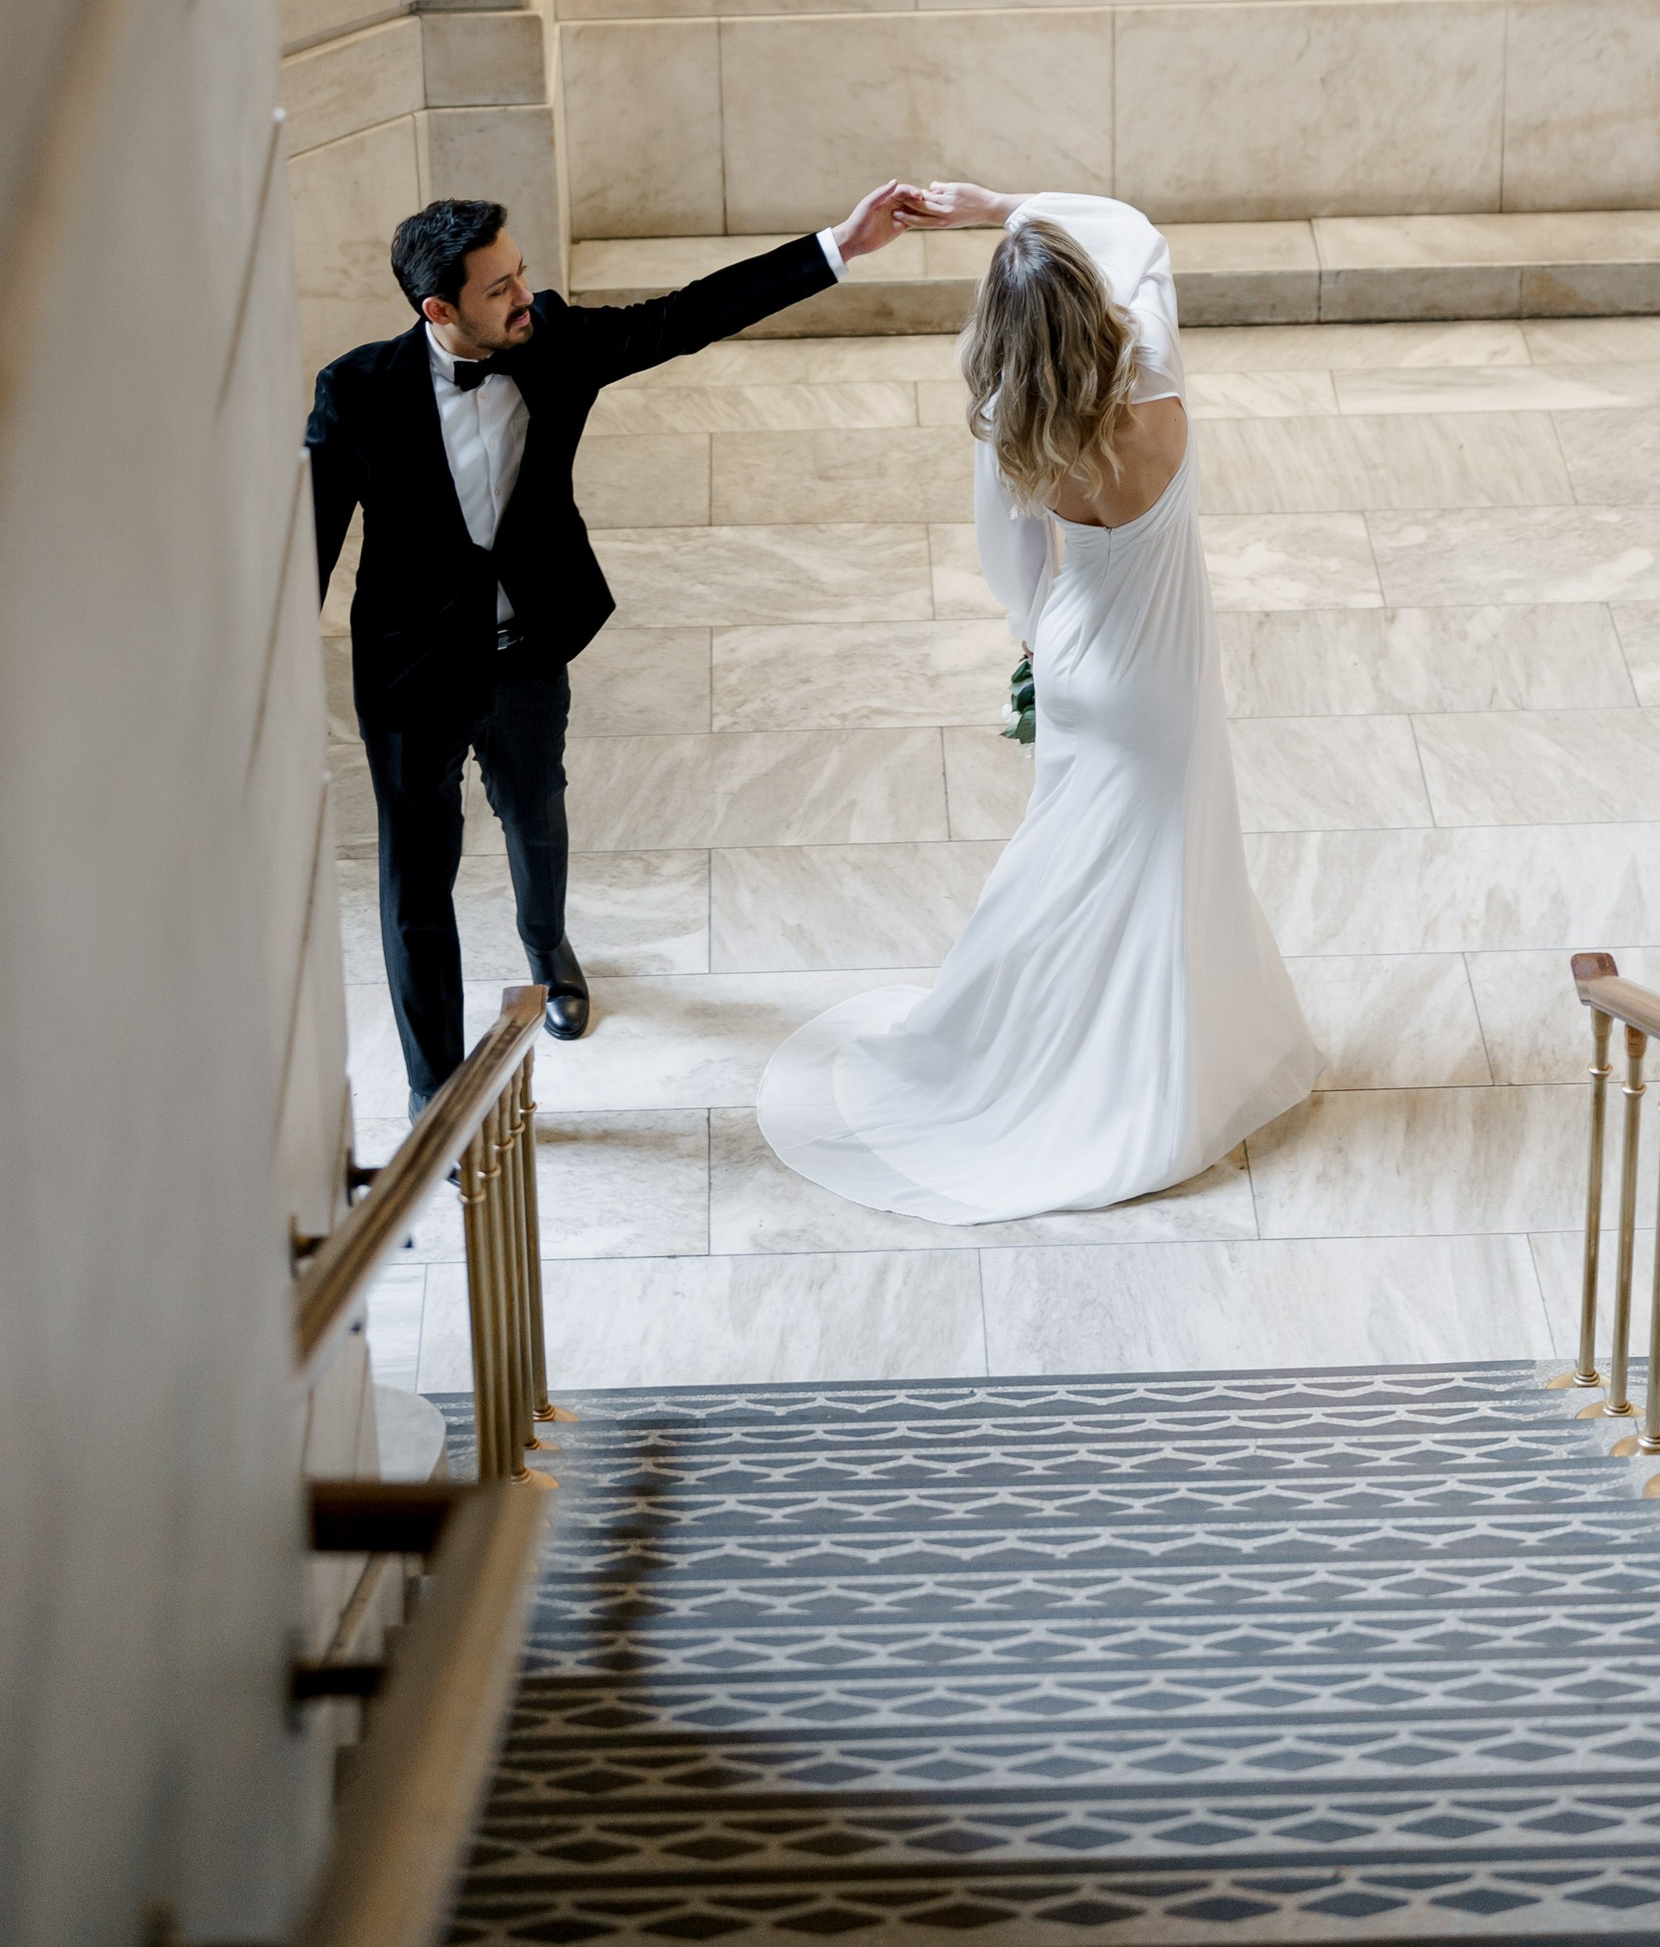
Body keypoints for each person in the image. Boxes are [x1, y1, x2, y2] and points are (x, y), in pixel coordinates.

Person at [758, 185, 1317, 1222]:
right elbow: (1137, 230)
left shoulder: (1010, 419)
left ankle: (1019, 1034)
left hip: (1075, 654)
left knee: (1065, 849)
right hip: (1159, 678)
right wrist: (993, 204)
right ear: (1089, 306)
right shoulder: (1152, 371)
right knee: (1161, 862)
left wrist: (1033, 630)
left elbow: (1011, 565)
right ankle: (1151, 1064)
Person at [310, 183, 917, 1118]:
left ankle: (550, 955)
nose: (524, 296)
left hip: (525, 651)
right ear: (439, 310)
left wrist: (839, 245)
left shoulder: (550, 347)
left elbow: (686, 317)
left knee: (535, 813)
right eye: (499, 288)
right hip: (409, 674)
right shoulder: (356, 392)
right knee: (412, 884)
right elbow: (302, 543)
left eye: (521, 274)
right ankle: (435, 1095)